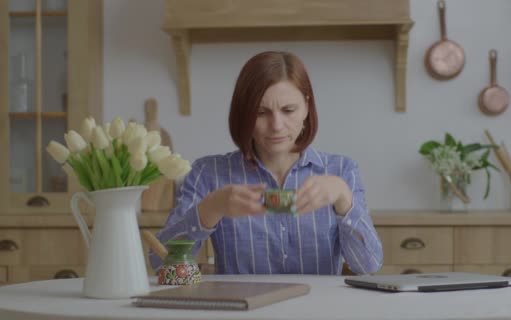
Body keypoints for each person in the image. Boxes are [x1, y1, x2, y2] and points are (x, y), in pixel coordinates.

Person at [150, 51, 383, 275]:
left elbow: (369, 265)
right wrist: (211, 208)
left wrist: (343, 197)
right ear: (244, 114)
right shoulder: (208, 173)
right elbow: (161, 265)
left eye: (289, 110)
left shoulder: (342, 170)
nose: (277, 125)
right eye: (261, 112)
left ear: (306, 107)